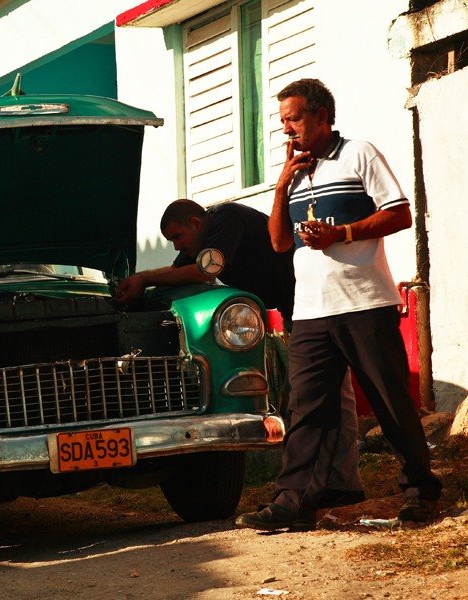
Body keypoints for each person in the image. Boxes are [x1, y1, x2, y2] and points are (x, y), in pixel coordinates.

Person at [235, 78, 441, 532]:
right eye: (282, 122)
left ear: (323, 116)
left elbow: (401, 212)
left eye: (294, 119)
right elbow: (278, 241)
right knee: (307, 407)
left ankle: (420, 492)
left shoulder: (358, 154)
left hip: (364, 301)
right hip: (310, 309)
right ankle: (295, 501)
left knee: (390, 401)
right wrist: (280, 186)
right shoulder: (294, 172)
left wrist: (341, 234)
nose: (287, 129)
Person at [116, 199, 365, 508]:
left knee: (325, 395)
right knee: (306, 397)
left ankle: (340, 486)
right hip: (300, 311)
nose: (177, 246)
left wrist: (146, 278)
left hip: (318, 305)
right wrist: (140, 284)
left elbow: (207, 270)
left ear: (197, 223)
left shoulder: (227, 218)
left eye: (178, 236)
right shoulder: (201, 245)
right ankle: (324, 485)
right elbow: (178, 272)